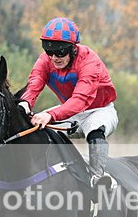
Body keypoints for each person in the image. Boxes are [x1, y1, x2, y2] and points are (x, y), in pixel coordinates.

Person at [20, 17, 119, 191]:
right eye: (49, 52)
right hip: (71, 112)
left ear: (73, 48)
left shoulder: (89, 61)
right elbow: (34, 84)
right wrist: (25, 104)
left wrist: (50, 115)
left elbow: (81, 100)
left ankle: (97, 177)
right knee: (30, 125)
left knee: (94, 128)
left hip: (100, 110)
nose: (54, 58)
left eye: (60, 53)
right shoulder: (45, 60)